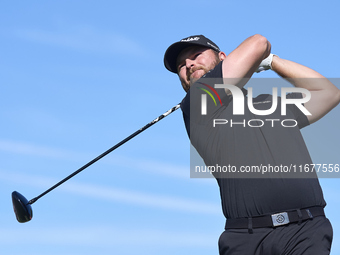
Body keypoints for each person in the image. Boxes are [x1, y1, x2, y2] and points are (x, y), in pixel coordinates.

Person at [164, 34, 340, 255]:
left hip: (306, 231)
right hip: (246, 240)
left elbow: (329, 93)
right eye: (181, 65)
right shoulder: (197, 103)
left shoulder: (270, 105)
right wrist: (259, 58)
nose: (189, 64)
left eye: (196, 55)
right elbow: (259, 43)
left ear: (222, 58)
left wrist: (272, 61)